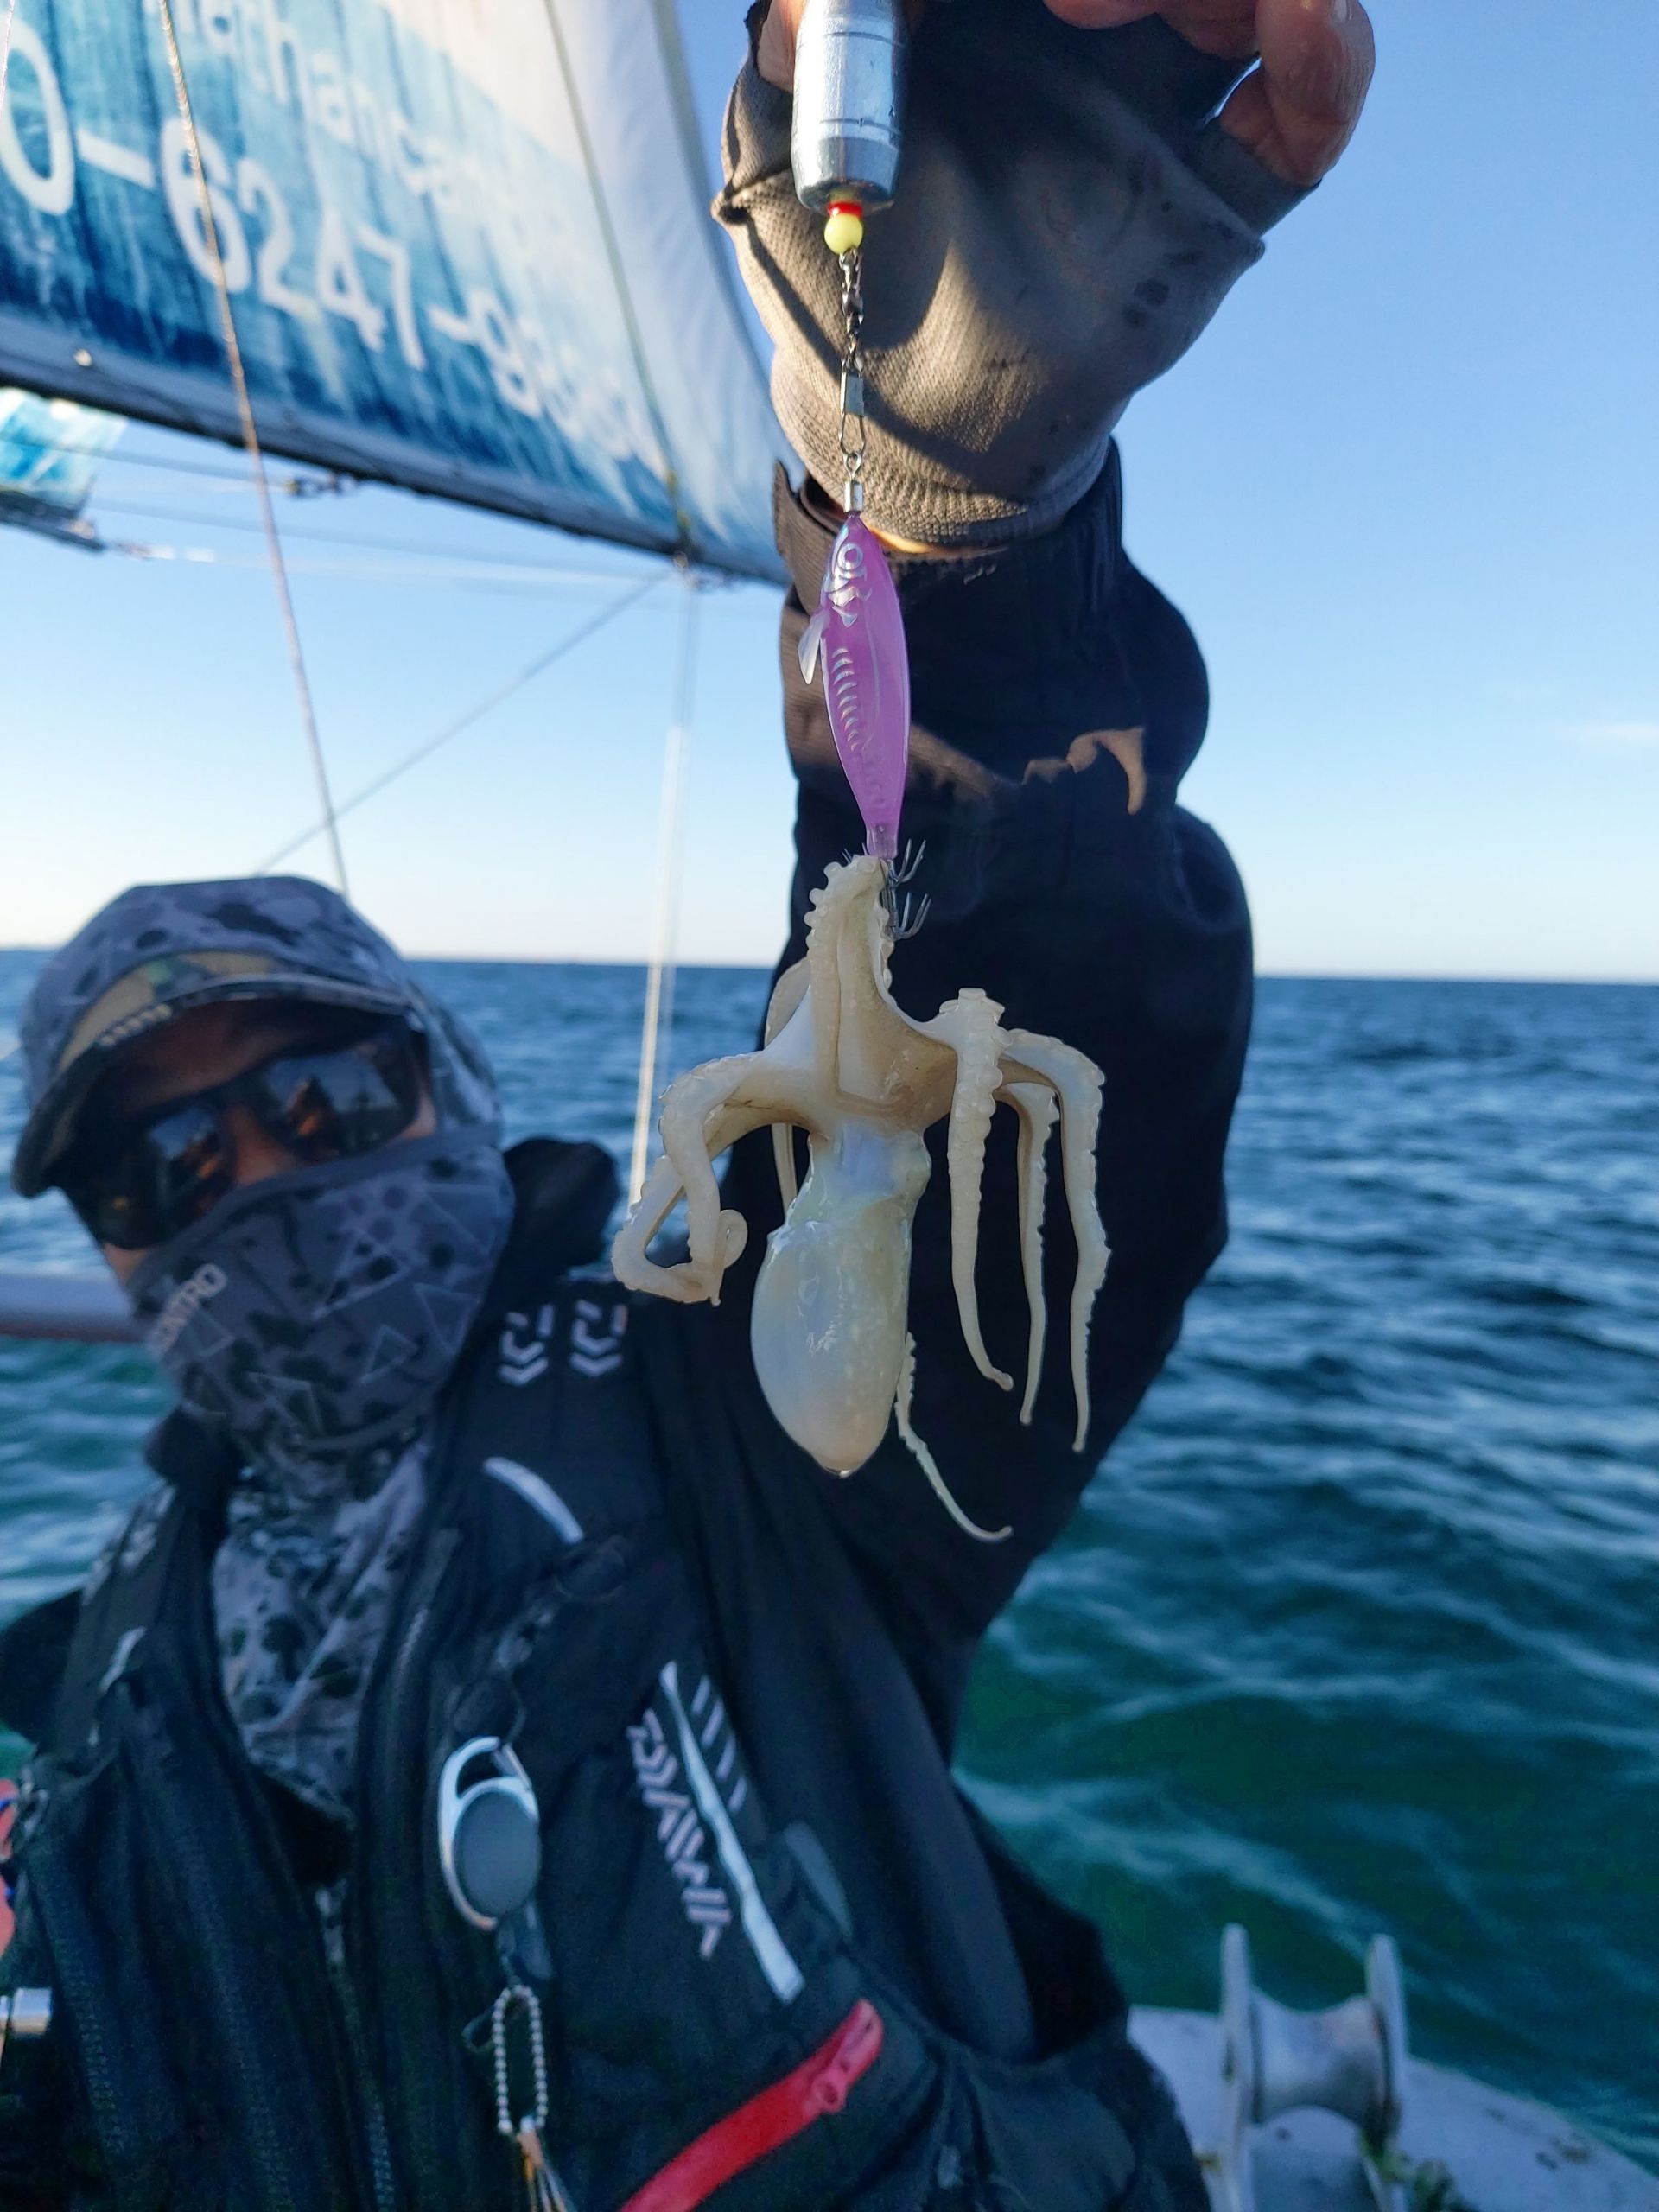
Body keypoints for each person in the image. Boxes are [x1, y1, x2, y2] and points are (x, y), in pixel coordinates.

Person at [0, 2, 1373, 2204]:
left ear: (446, 1088)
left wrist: (960, 543)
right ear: (109, 1244)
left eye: (325, 1094)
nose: (259, 1182)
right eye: (166, 1163)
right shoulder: (97, 1662)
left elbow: (967, 1038)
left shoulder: (727, 1404)